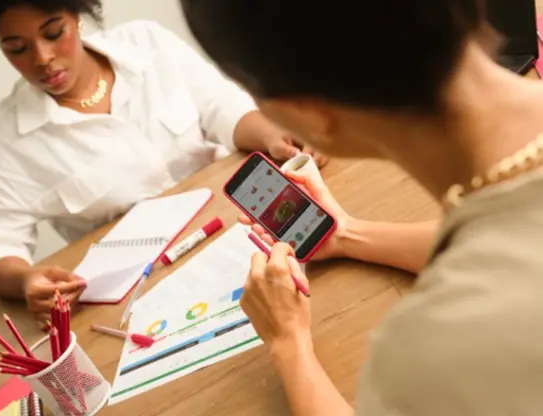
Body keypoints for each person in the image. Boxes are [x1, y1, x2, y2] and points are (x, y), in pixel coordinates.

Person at [181, 0, 543, 414]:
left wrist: (288, 344)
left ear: (309, 116)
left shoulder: (433, 350)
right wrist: (348, 234)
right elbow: (508, 243)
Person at [0, 0, 329, 324]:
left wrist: (274, 135)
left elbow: (222, 108)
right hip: (148, 291)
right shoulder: (8, 140)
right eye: (17, 48)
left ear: (77, 15)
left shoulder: (145, 42)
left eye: (54, 33)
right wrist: (25, 280)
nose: (43, 58)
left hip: (241, 226)